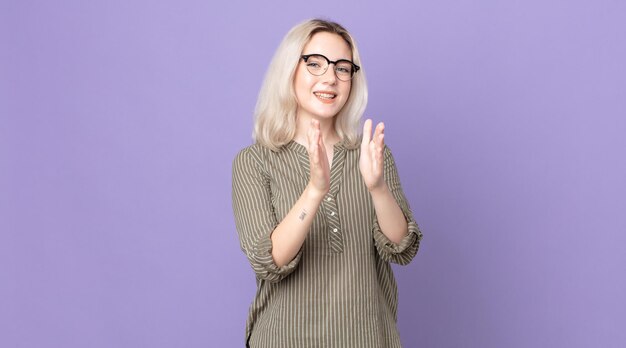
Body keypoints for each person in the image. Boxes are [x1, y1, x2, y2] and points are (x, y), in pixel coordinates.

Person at [232, 18, 423, 347]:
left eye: (342, 68)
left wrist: (377, 187)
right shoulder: (254, 161)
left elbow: (402, 248)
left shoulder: (372, 154)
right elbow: (268, 261)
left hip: (367, 337)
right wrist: (315, 190)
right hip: (283, 339)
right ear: (290, 70)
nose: (330, 78)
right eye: (315, 64)